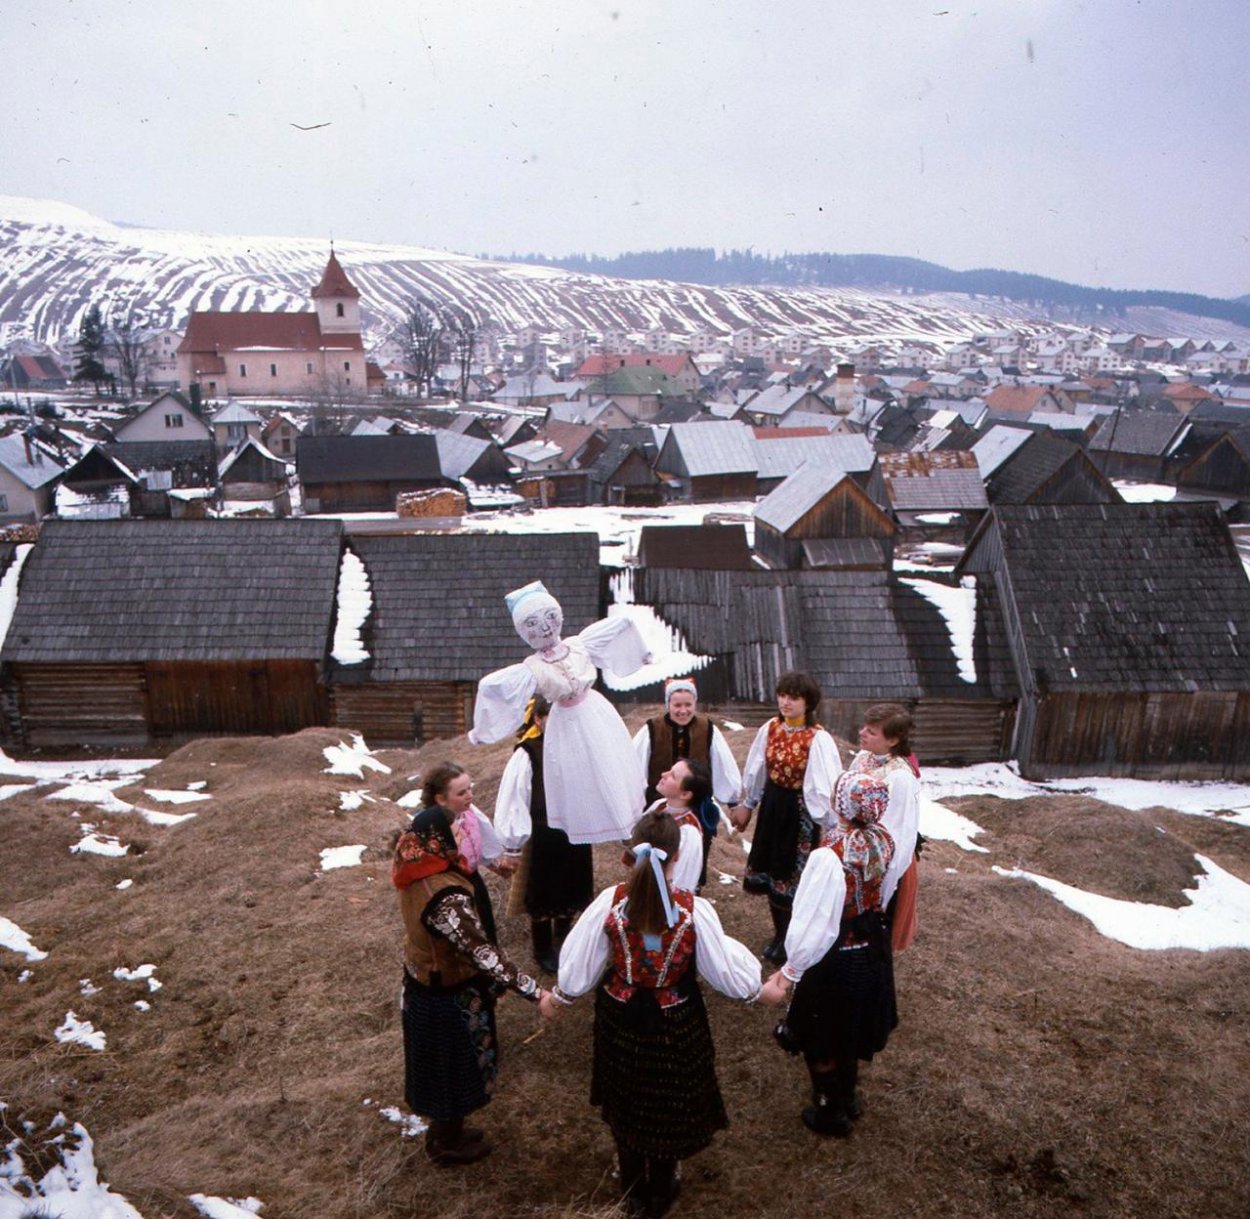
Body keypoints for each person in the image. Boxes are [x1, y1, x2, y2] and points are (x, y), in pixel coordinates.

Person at [541, 811, 760, 1218]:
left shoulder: (611, 901)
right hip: (675, 1017)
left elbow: (579, 966)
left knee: (626, 1092)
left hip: (620, 1014)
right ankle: (660, 1187)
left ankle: (631, 1180)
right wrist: (754, 988)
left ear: (630, 855)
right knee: (666, 1098)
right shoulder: (694, 910)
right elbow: (725, 972)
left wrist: (564, 994)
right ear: (676, 857)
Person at [759, 704, 921, 1138]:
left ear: (841, 804)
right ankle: (848, 1095)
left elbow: (815, 921)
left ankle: (830, 1108)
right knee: (850, 1028)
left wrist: (791, 970)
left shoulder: (827, 859)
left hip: (835, 956)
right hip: (868, 948)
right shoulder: (884, 841)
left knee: (821, 1035)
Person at [394, 762, 547, 1165]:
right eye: (457, 830)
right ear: (440, 839)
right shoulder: (445, 896)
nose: (465, 831)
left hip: (427, 983)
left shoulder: (417, 868)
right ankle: (446, 1144)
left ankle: (451, 1131)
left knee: (447, 1069)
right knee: (452, 1071)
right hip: (445, 997)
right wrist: (536, 993)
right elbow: (484, 954)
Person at [469, 580, 650, 844]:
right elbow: (493, 686)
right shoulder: (531, 667)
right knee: (579, 773)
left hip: (595, 712)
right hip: (565, 722)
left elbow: (620, 625)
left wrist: (641, 653)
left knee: (610, 762)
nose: (544, 627)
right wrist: (481, 732)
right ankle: (592, 821)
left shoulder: (579, 644)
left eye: (550, 617)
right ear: (523, 631)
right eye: (531, 624)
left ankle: (626, 820)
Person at [729, 671, 842, 965]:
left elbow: (824, 785)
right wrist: (748, 803)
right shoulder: (770, 728)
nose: (786, 702)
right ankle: (779, 933)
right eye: (782, 695)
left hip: (801, 813)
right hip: (773, 804)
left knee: (792, 874)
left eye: (794, 697)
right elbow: (756, 767)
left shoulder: (818, 739)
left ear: (808, 702)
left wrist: (830, 824)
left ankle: (793, 938)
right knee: (771, 869)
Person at [494, 695, 594, 973]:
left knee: (572, 885)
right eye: (552, 717)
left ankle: (564, 939)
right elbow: (516, 797)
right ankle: (542, 948)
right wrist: (514, 841)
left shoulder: (579, 749)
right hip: (543, 831)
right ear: (539, 719)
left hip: (575, 830)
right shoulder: (528, 753)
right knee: (543, 891)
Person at [632, 677, 742, 887]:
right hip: (660, 807)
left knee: (691, 856)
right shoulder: (652, 729)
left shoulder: (708, 729)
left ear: (695, 704)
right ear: (668, 705)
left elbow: (722, 767)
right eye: (677, 705)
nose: (683, 710)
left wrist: (733, 801)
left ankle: (689, 894)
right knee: (656, 856)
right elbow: (634, 766)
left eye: (688, 705)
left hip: (696, 808)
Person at [644, 757, 713, 895]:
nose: (664, 774)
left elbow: (681, 884)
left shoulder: (689, 833)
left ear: (685, 794)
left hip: (665, 900)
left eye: (672, 776)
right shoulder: (660, 805)